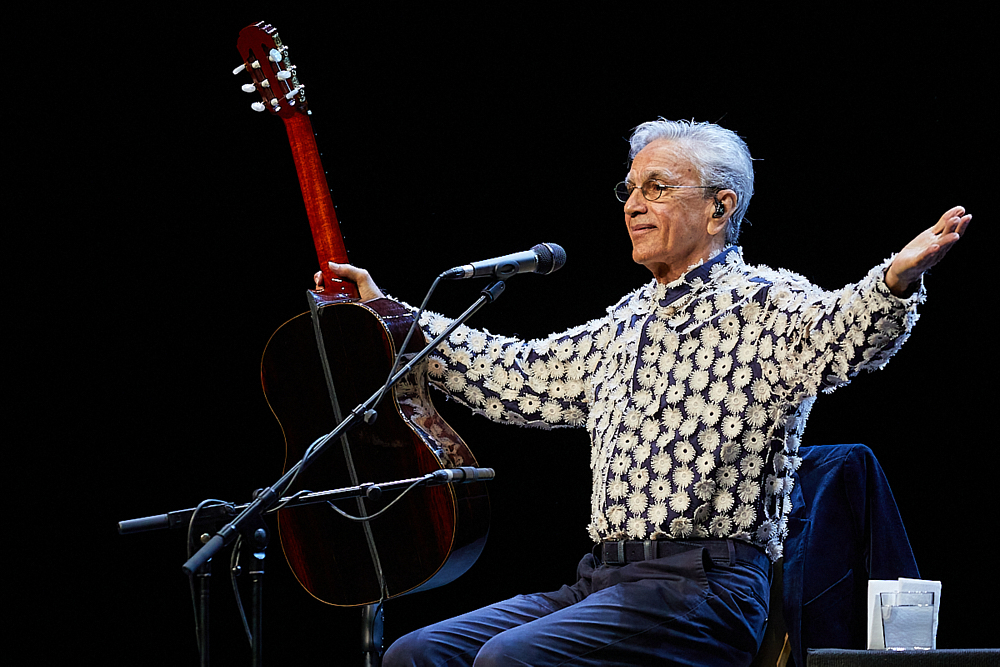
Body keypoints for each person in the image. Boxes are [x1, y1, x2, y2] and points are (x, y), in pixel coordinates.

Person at [315, 119, 971, 666]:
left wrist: (892, 281)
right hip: (602, 579)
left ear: (720, 207)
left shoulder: (767, 304)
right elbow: (519, 374)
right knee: (417, 653)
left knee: (509, 659)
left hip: (708, 587)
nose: (632, 205)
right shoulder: (625, 324)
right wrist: (395, 317)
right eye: (629, 189)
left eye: (657, 188)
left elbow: (842, 332)